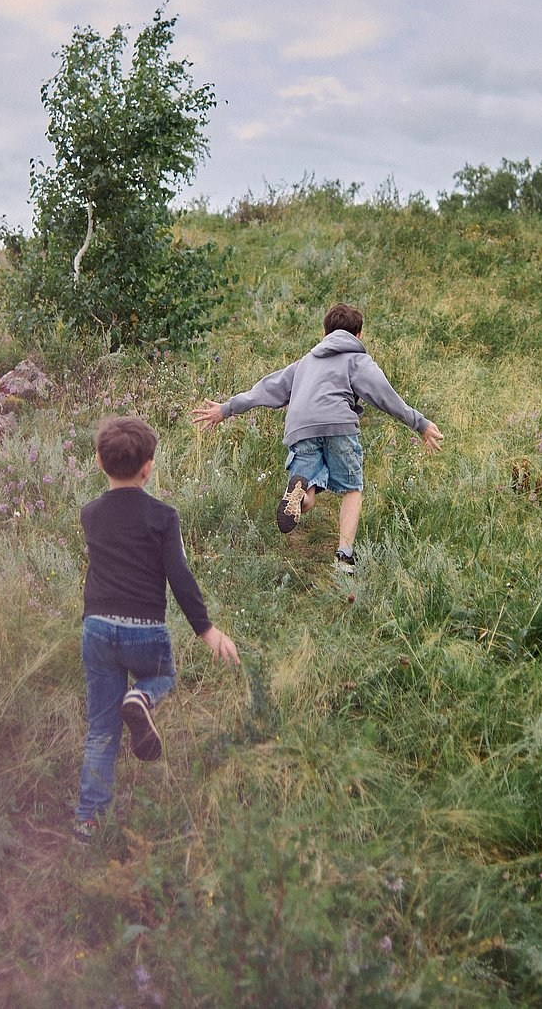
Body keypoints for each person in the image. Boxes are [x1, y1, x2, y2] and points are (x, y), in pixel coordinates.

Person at [73, 415, 239, 843]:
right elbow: (179, 576)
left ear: (98, 462)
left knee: (101, 730)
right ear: (149, 466)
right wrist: (207, 630)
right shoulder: (163, 517)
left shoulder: (90, 514)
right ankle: (142, 696)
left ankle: (88, 822)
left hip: (96, 628)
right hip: (144, 629)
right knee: (162, 675)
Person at [192, 303, 443, 572]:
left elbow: (267, 388)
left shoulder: (306, 363)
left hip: (301, 427)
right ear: (359, 335)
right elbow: (385, 396)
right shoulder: (357, 360)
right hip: (339, 424)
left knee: (308, 490)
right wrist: (421, 424)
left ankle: (299, 496)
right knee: (351, 489)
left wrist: (226, 409)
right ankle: (344, 556)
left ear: (324, 333)